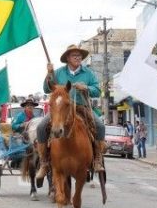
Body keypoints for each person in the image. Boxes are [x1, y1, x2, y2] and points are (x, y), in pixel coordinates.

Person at [35, 44, 106, 179]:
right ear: (67, 58)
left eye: (79, 56)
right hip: (61, 109)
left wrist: (86, 87)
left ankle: (97, 159)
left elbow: (97, 91)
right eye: (74, 55)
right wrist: (49, 73)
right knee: (41, 127)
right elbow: (46, 89)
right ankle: (44, 163)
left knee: (100, 126)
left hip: (82, 107)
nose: (78, 58)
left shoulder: (88, 73)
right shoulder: (59, 73)